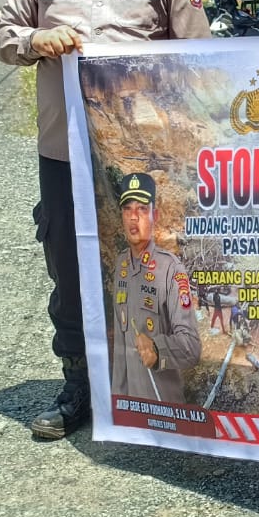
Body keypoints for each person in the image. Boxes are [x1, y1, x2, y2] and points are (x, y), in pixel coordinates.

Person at [0, 0, 211, 439]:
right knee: (71, 268)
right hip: (67, 154)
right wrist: (36, 41)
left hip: (147, 160)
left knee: (157, 264)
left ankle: (172, 388)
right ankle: (79, 389)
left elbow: (200, 55)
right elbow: (3, 35)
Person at [108, 172, 201, 404]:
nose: (133, 217)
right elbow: (120, 351)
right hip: (130, 410)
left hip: (164, 409)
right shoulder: (121, 266)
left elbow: (191, 347)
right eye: (127, 209)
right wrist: (117, 402)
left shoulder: (170, 269)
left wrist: (158, 349)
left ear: (154, 216)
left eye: (142, 209)